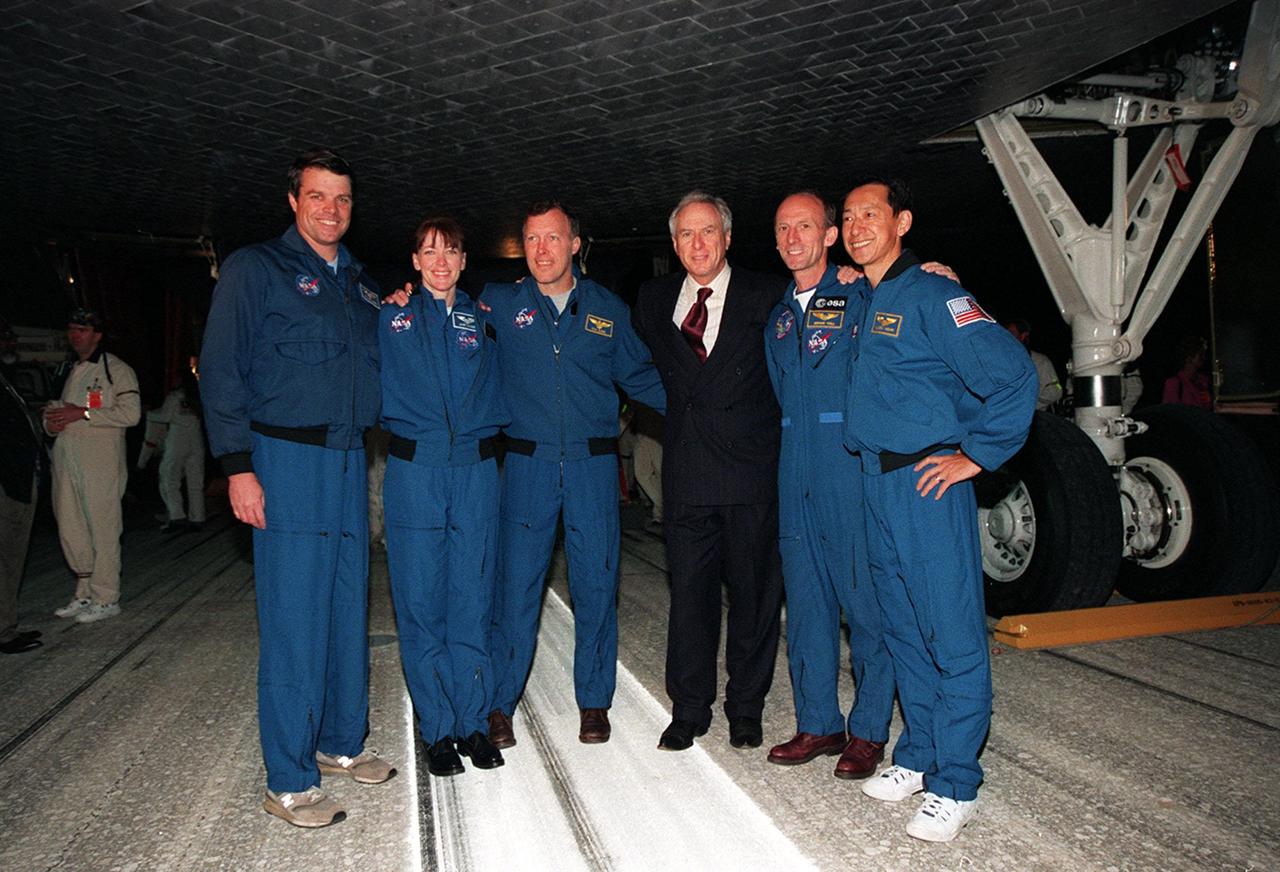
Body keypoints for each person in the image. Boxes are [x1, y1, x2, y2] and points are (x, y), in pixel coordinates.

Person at [199, 148, 395, 829]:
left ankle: (341, 743)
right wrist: (237, 466)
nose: (330, 209)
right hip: (283, 462)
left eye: (341, 198)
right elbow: (220, 369)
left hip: (347, 463)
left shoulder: (363, 286)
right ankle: (289, 779)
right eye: (317, 196)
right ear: (293, 201)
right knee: (293, 621)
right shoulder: (257, 269)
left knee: (346, 609)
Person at [841, 176, 1036, 842]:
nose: (858, 224)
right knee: (903, 630)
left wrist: (975, 456)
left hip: (927, 485)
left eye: (872, 214)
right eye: (849, 216)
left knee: (950, 633)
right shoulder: (865, 298)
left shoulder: (935, 294)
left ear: (902, 221)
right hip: (875, 483)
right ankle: (920, 755)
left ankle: (957, 781)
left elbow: (1012, 376)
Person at [484, 201, 666, 748]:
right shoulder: (499, 304)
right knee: (514, 588)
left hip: (591, 466)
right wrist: (408, 299)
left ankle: (593, 702)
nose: (542, 249)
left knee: (596, 583)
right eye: (532, 239)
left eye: (553, 238)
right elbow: (451, 332)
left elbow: (644, 378)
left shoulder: (607, 309)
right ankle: (499, 703)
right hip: (525, 464)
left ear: (574, 245)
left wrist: (707, 411)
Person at [633, 192, 784, 752]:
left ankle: (747, 707)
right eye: (686, 235)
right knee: (690, 599)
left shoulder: (768, 294)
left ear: (727, 238)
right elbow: (634, 367)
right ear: (674, 244)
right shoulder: (651, 300)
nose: (697, 244)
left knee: (754, 597)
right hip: (690, 473)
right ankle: (689, 708)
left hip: (751, 474)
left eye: (708, 233)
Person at [762, 191, 896, 777]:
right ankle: (818, 721)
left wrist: (934, 269)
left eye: (806, 226)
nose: (794, 238)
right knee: (808, 607)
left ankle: (868, 730)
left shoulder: (862, 295)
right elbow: (779, 392)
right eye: (784, 228)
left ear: (829, 236)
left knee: (865, 605)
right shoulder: (779, 317)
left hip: (847, 471)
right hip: (795, 474)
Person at [379, 216, 507, 777]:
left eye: (450, 251)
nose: (439, 261)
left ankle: (472, 724)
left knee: (472, 602)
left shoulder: (483, 321)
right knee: (420, 603)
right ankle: (436, 729)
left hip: (476, 472)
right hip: (415, 472)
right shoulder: (390, 316)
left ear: (463, 262)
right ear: (414, 260)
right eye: (429, 251)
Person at [45, 309, 140, 625]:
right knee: (71, 526)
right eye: (71, 329)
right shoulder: (66, 369)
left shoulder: (116, 370)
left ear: (97, 334)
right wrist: (53, 424)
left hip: (100, 462)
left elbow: (131, 414)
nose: (75, 335)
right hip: (66, 458)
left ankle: (106, 597)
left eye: (82, 330)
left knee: (102, 526)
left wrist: (83, 414)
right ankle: (84, 591)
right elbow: (55, 413)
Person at [1, 369, 43, 654]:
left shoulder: (5, 380)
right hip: (8, 483)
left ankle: (6, 625)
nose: (10, 341)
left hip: (18, 480)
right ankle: (3, 631)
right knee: (5, 557)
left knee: (10, 558)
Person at [137, 369, 206, 532]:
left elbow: (165, 417)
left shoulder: (174, 397)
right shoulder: (197, 398)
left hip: (177, 440)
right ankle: (198, 518)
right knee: (195, 482)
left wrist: (148, 413)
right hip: (196, 441)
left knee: (169, 478)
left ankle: (177, 516)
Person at [1003, 318, 1062, 410]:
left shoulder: (1041, 361)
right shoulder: (999, 360)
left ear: (1023, 336)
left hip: (1035, 417)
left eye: (1011, 334)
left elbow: (1055, 391)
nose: (1006, 338)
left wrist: (1028, 394)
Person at [1162, 335, 1212, 408]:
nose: (1204, 358)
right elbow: (1169, 414)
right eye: (1200, 354)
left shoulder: (1205, 382)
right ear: (1189, 357)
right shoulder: (1174, 384)